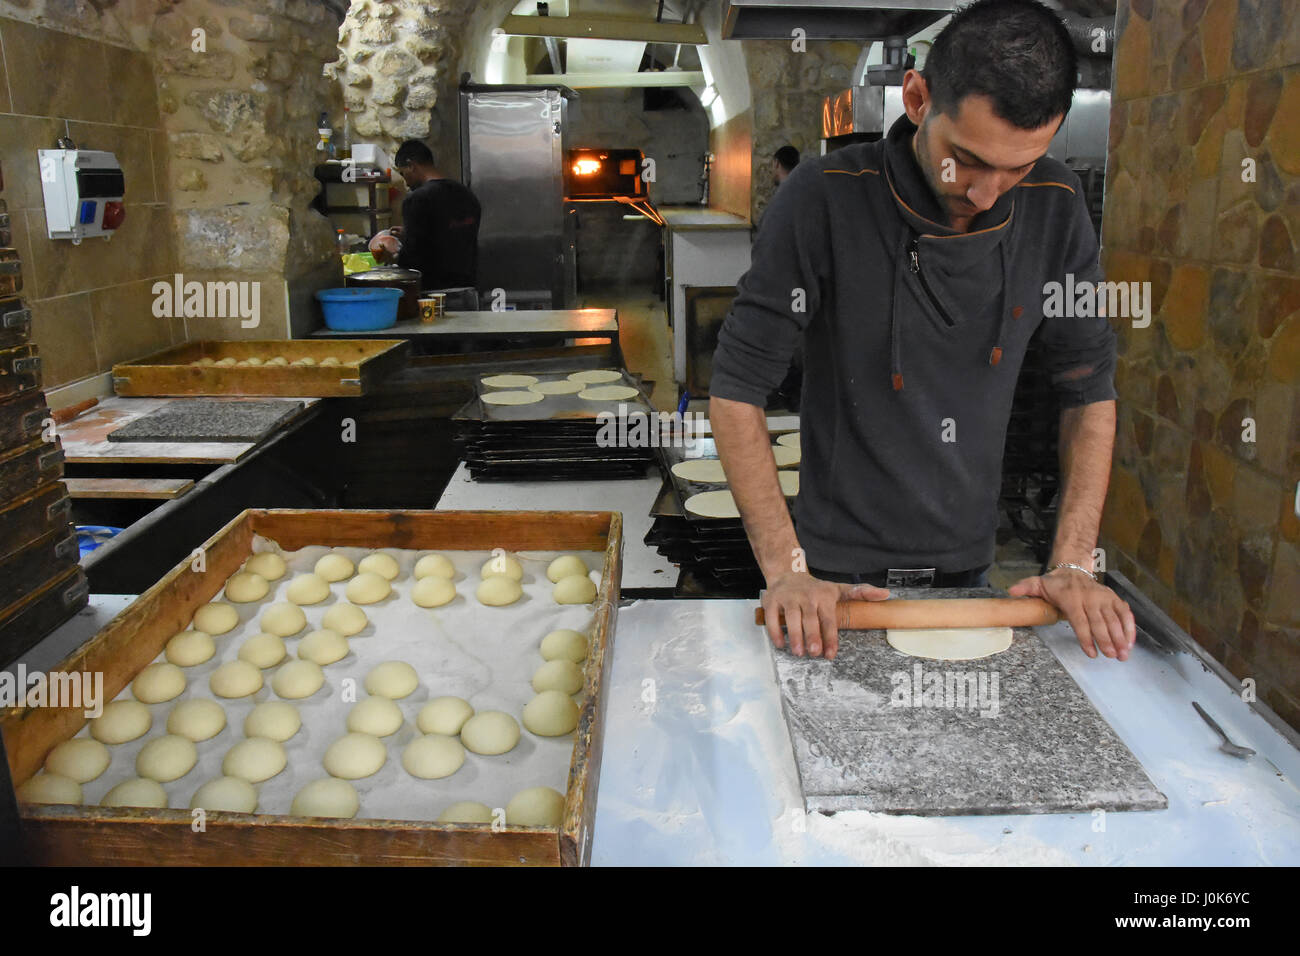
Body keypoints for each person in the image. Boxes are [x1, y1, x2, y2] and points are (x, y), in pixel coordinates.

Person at [709, 0, 1135, 663]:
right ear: (916, 97)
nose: (989, 193)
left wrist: (1076, 562)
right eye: (966, 159)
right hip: (831, 578)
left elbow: (1088, 391)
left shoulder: (1057, 207)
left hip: (967, 569)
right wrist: (786, 568)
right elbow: (738, 389)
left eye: (1018, 167)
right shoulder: (824, 198)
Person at [370, 140, 481, 290]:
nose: (406, 183)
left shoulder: (417, 199)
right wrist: (409, 234)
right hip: (468, 289)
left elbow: (413, 260)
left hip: (433, 293)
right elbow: (450, 234)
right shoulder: (467, 195)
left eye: (403, 173)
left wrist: (393, 256)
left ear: (411, 165)